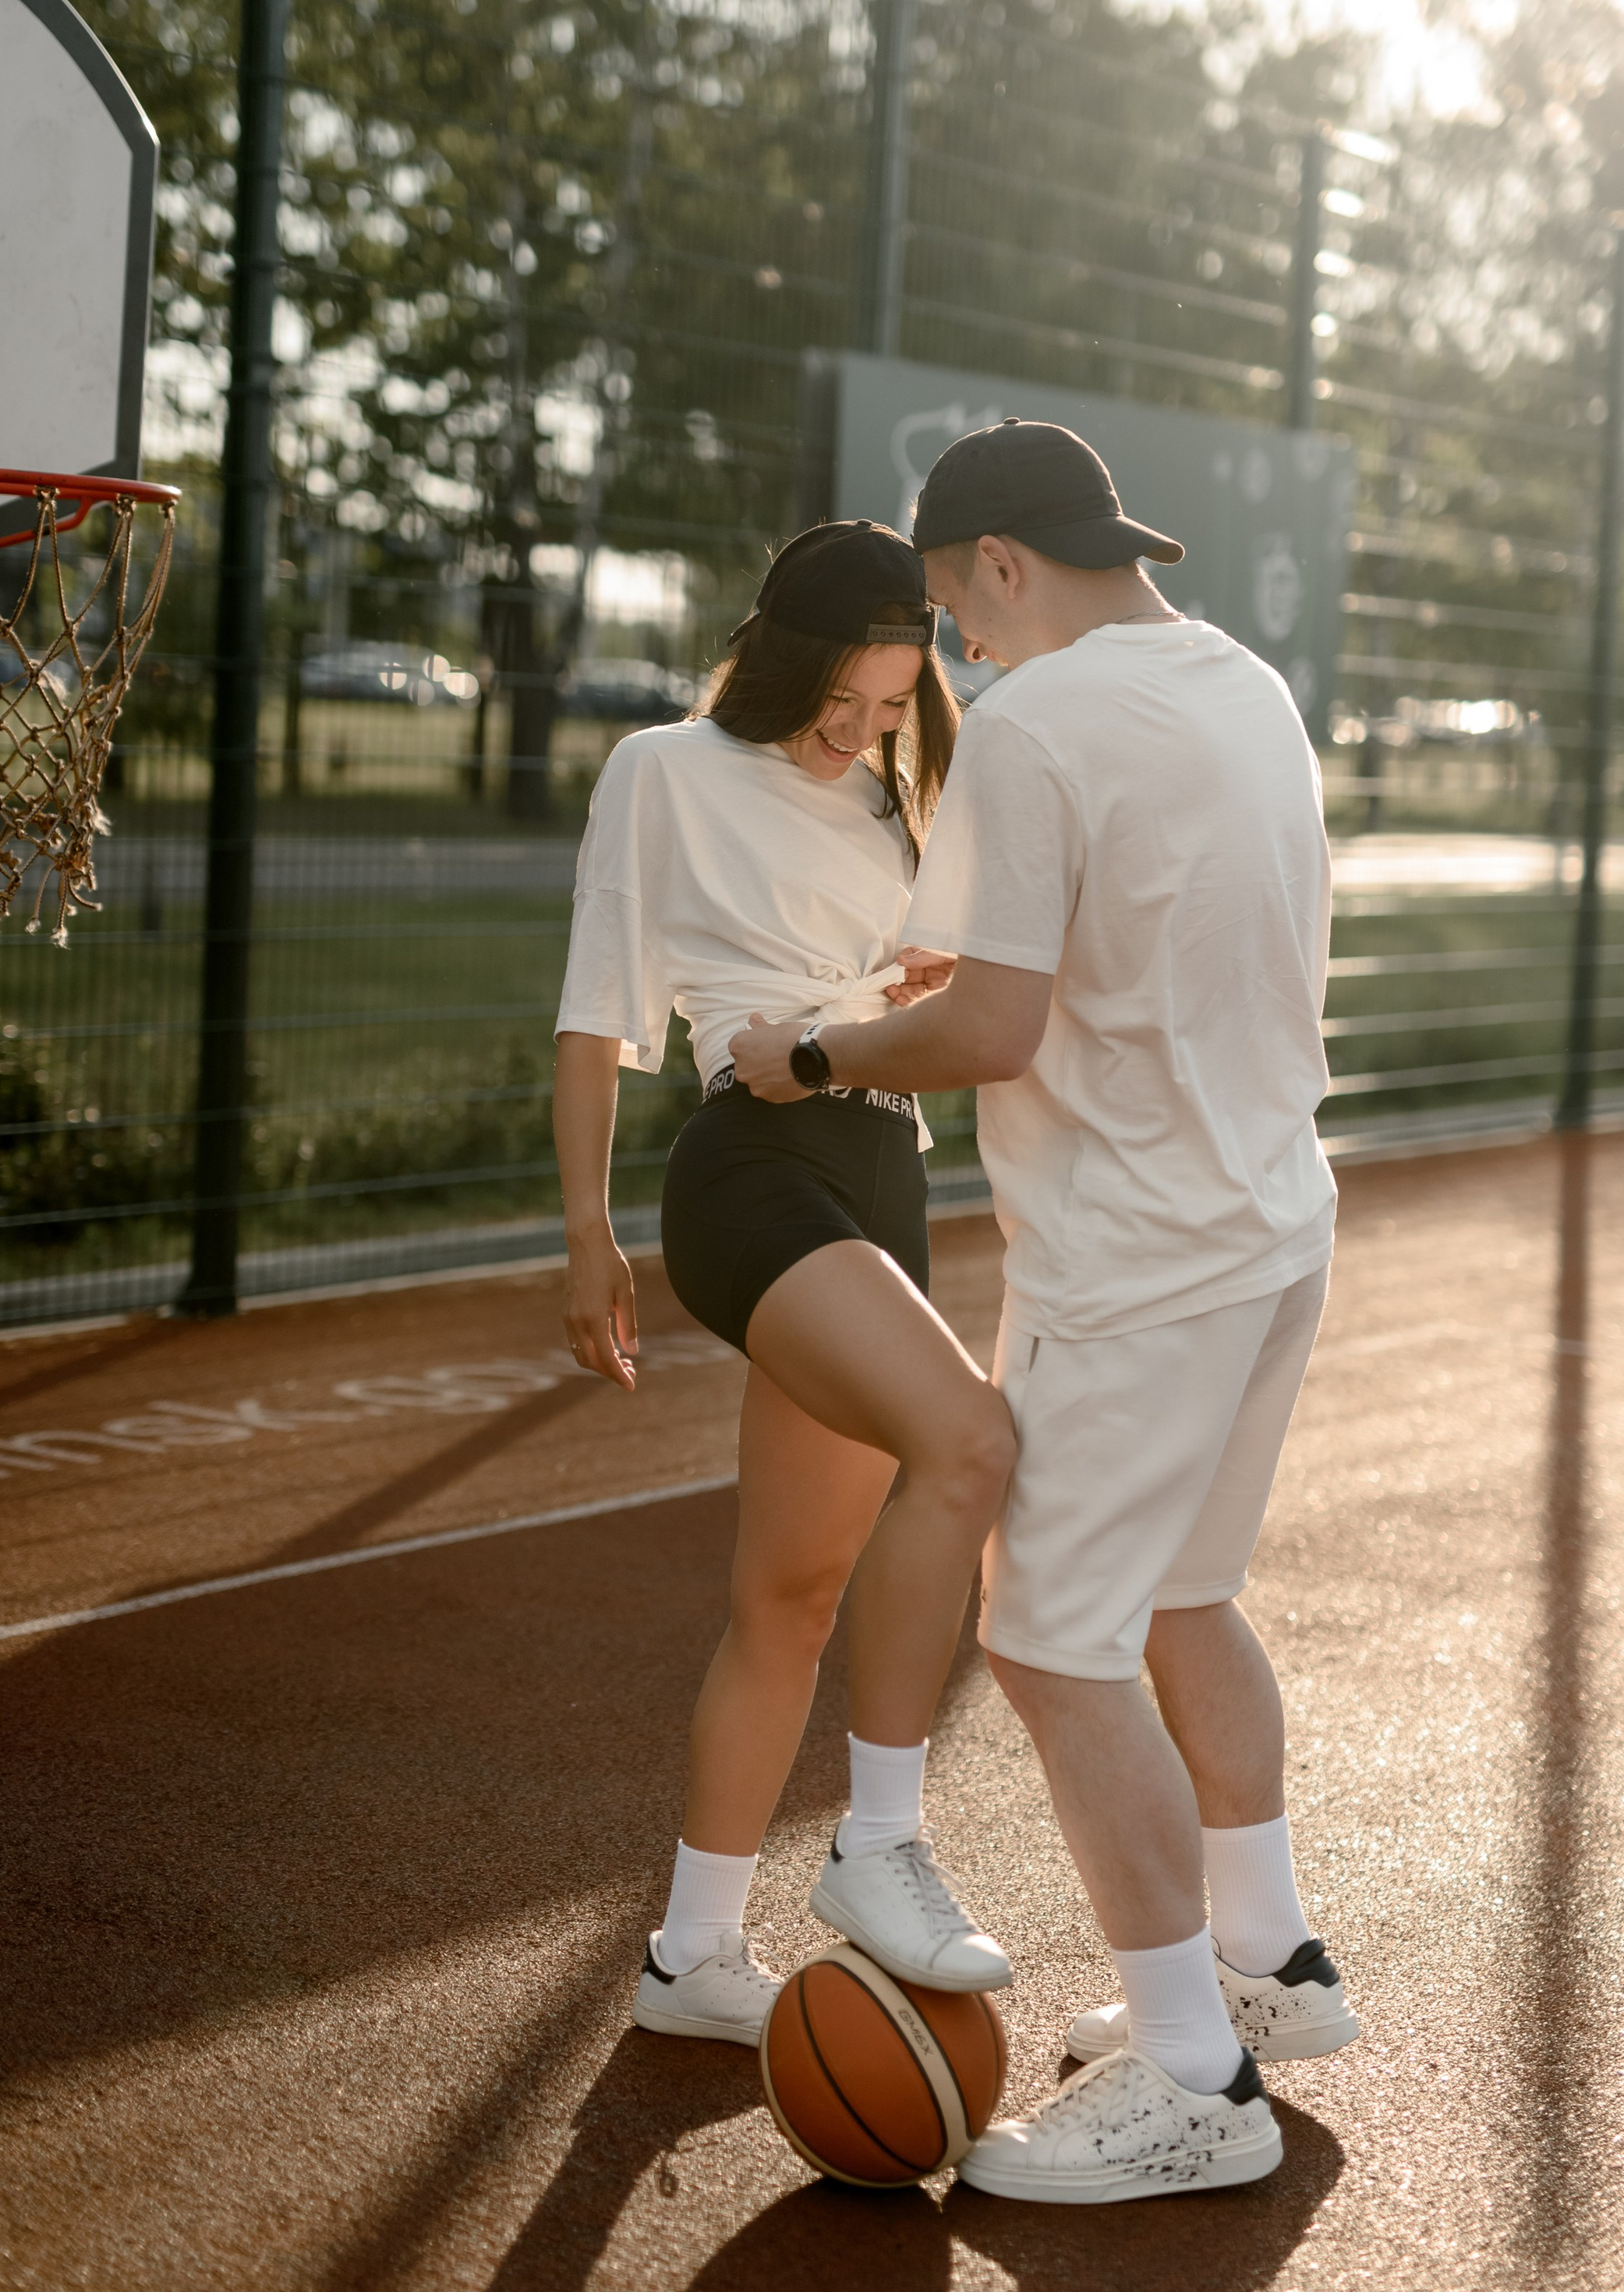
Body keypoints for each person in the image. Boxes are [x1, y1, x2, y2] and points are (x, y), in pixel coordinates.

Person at [734, 418, 1357, 2202]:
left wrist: (806, 1052)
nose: (957, 654)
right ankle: (1268, 1967)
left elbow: (987, 1028)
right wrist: (891, 993)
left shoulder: (1034, 721)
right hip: (1263, 1222)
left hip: (1139, 1262)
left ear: (998, 563)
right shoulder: (1240, 684)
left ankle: (1191, 2077)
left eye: (953, 613)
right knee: (1181, 1596)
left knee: (1051, 1644)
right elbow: (1089, 947)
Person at [553, 519, 1018, 2049]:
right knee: (969, 1441)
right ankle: (880, 1840)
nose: (862, 727)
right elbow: (591, 1016)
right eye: (843, 696)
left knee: (790, 1595)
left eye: (890, 705)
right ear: (780, 655)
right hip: (753, 1172)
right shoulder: (662, 772)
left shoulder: (897, 806)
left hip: (887, 1172)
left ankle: (689, 1955)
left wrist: (913, 981)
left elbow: (892, 997)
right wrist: (584, 1230)